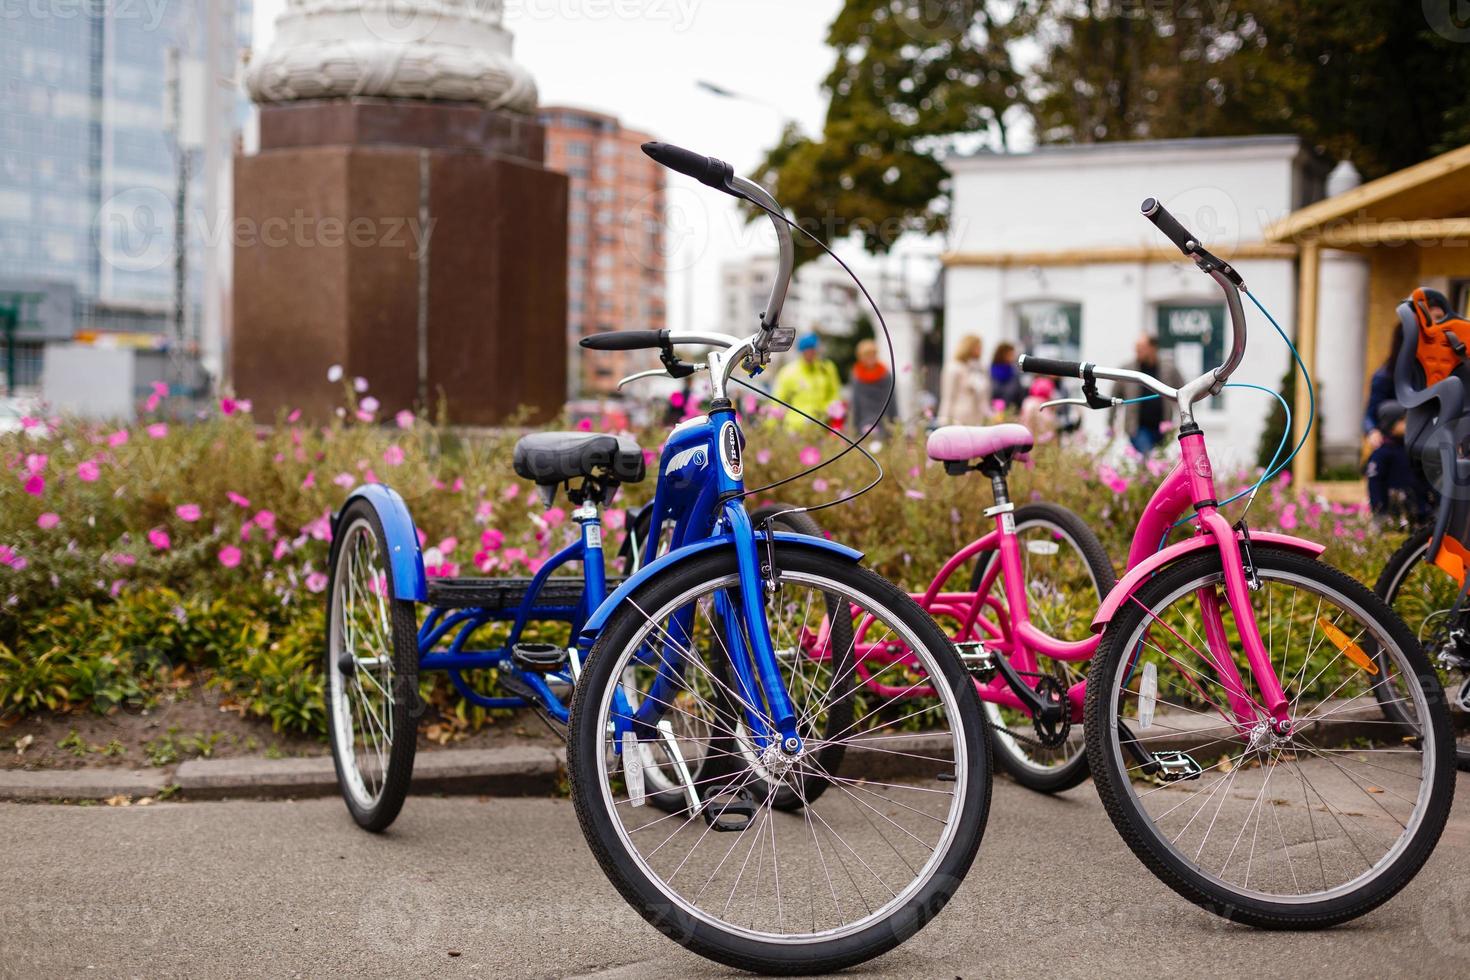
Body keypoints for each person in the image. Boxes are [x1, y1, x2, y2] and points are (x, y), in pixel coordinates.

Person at [1108, 333, 1185, 454]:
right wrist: (1110, 423)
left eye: (1141, 349)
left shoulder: (1168, 368)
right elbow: (1113, 397)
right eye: (1136, 349)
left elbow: (1183, 393)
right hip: (1138, 428)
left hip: (1162, 428)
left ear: (1153, 348)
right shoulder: (1127, 370)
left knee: (1158, 461)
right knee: (1147, 454)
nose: (1137, 352)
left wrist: (1184, 420)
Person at [1364, 400, 1433, 521]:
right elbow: (1375, 483)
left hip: (1418, 510)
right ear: (1390, 424)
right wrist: (1379, 511)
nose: (1408, 424)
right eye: (1403, 420)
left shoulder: (1411, 450)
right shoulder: (1382, 453)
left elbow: (1421, 477)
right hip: (1395, 514)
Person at [773, 332, 841, 431]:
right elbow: (777, 400)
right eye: (806, 349)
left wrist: (828, 411)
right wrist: (772, 427)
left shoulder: (827, 368)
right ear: (801, 351)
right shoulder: (788, 372)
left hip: (821, 426)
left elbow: (834, 394)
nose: (810, 352)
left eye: (812, 349)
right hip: (795, 428)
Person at [937, 334, 992, 426]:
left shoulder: (981, 368)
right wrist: (944, 420)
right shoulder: (953, 368)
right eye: (977, 347)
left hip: (977, 419)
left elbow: (985, 397)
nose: (980, 351)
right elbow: (948, 397)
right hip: (958, 419)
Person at [848, 338, 898, 439]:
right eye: (867, 355)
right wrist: (853, 428)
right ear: (860, 357)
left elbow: (892, 401)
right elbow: (855, 403)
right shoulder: (857, 376)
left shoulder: (885, 374)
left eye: (873, 354)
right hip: (863, 424)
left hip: (884, 422)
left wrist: (894, 424)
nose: (871, 358)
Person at [1019, 377, 1059, 444]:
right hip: (1043, 441)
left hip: (1027, 438)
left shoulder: (1027, 402)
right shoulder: (1045, 405)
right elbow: (1050, 428)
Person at [989, 342, 1024, 410]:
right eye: (1010, 354)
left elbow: (1019, 394)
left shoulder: (1014, 372)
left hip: (1012, 410)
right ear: (1002, 354)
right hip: (995, 412)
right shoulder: (991, 372)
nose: (1013, 357)